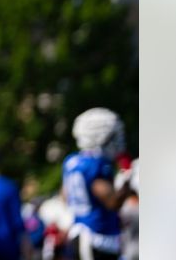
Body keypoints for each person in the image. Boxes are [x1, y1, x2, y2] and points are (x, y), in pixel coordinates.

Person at [61, 109, 135, 260]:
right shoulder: (95, 164)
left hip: (81, 233)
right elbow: (111, 201)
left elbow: (64, 196)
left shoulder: (73, 161)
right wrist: (127, 186)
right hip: (96, 238)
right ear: (102, 137)